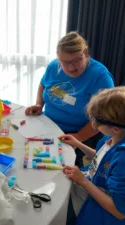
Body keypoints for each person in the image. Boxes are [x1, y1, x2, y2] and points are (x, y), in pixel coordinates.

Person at [59, 86, 125, 225]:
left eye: (95, 121)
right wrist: (79, 144)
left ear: (115, 128)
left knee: (55, 205)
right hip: (92, 183)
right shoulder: (119, 135)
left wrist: (83, 181)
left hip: (98, 208)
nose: (93, 125)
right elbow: (104, 159)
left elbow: (119, 211)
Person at [25, 32, 114, 167]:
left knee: (63, 166)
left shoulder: (100, 77)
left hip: (80, 132)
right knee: (30, 153)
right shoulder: (54, 66)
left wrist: (77, 138)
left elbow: (103, 119)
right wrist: (39, 104)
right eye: (65, 62)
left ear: (86, 53)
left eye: (77, 60)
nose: (71, 68)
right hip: (49, 123)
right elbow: (43, 84)